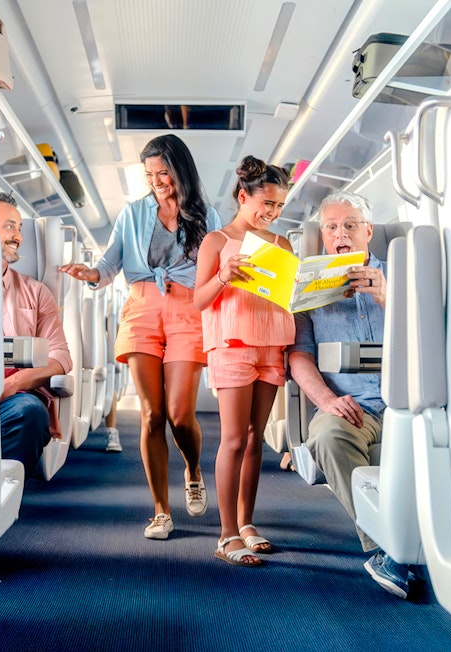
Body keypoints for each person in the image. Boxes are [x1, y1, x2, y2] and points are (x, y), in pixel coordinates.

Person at [60, 134, 221, 540]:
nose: (156, 181)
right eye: (150, 174)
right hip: (142, 309)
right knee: (151, 414)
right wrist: (92, 274)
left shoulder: (209, 216)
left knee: (180, 413)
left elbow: (219, 270)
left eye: (163, 172)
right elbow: (109, 263)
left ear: (180, 169)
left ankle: (194, 469)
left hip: (188, 311)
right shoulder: (132, 214)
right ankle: (161, 511)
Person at [287, 190, 412, 598]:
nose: (340, 234)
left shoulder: (405, 275)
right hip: (349, 406)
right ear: (323, 235)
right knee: (325, 435)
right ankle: (386, 549)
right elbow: (299, 358)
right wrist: (326, 401)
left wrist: (388, 298)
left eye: (350, 225)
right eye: (331, 227)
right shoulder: (307, 286)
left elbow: (431, 341)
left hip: (406, 404)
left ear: (369, 231)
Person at [194, 156, 295, 567]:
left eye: (278, 207)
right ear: (242, 196)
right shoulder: (216, 241)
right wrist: (224, 276)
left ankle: (247, 523)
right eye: (266, 203)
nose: (271, 213)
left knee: (257, 438)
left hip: (272, 347)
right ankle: (226, 534)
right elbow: (198, 300)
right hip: (233, 345)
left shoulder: (283, 246)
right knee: (234, 438)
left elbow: (290, 298)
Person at [0, 192, 73, 477]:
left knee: (29, 413)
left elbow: (60, 358)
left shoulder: (36, 292)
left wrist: (11, 384)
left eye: (20, 228)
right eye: (10, 226)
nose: (18, 236)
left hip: (13, 401)